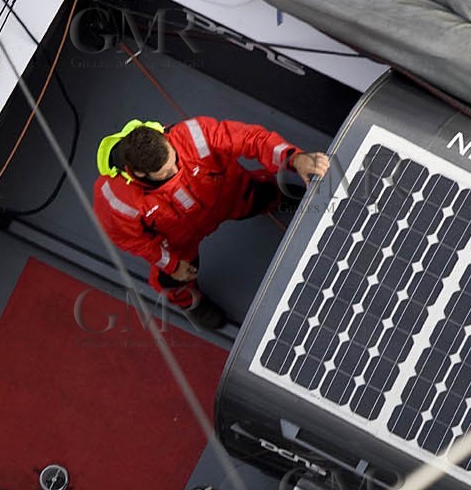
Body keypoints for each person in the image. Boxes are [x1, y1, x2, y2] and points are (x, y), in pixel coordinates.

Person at [93, 117, 330, 330]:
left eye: (175, 159)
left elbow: (252, 140)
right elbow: (130, 239)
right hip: (180, 240)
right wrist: (172, 263)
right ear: (139, 173)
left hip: (229, 197)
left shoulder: (193, 134)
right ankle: (191, 304)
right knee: (172, 280)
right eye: (167, 172)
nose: (177, 169)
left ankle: (278, 198)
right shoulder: (114, 197)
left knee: (263, 194)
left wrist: (294, 158)